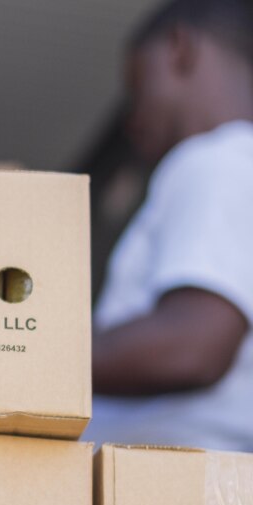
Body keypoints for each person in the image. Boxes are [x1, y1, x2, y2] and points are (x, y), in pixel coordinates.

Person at [87, 0, 253, 451]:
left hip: (176, 496)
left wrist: (15, 352)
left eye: (136, 87)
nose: (132, 121)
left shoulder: (217, 159)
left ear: (180, 49)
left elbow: (195, 345)